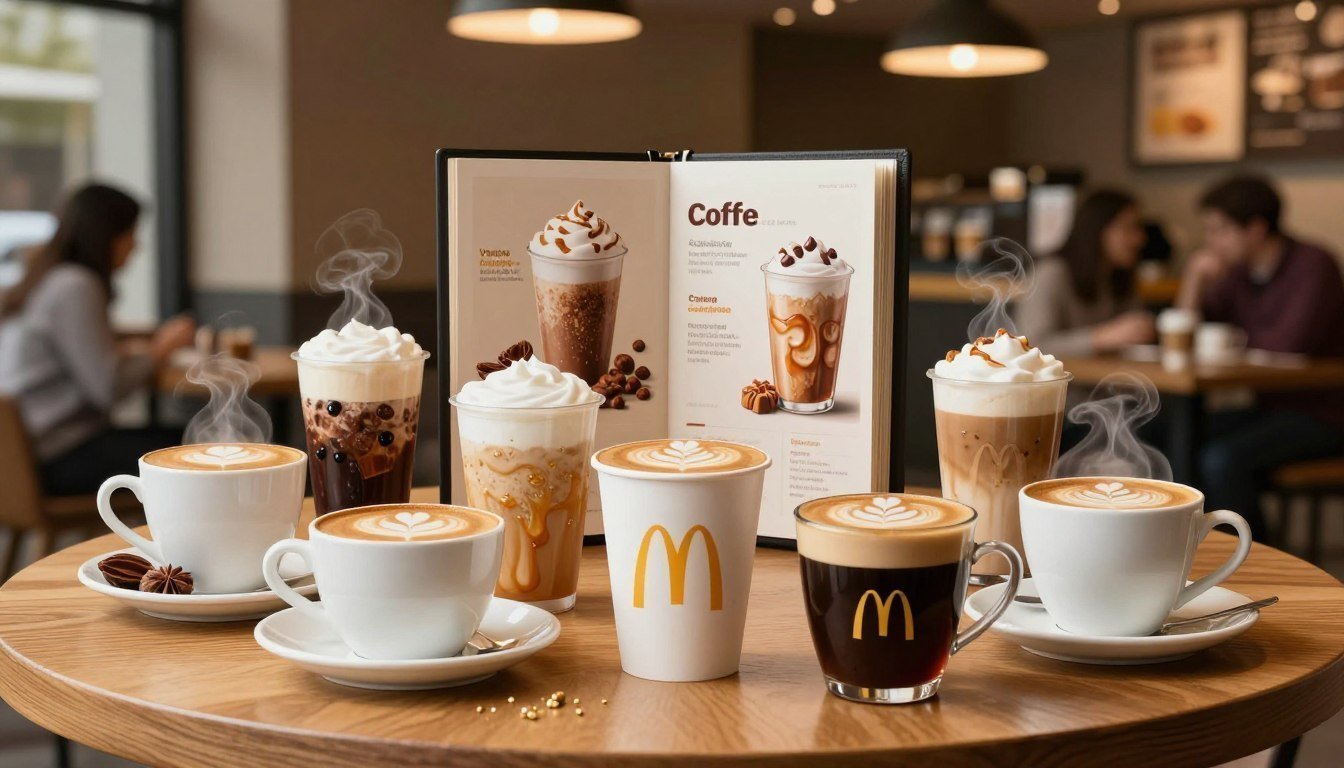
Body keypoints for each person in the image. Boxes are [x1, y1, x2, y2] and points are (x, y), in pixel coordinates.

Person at [0, 183, 195, 495]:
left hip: (21, 459)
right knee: (196, 447)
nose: (136, 246)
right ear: (107, 235)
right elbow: (108, 387)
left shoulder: (44, 278)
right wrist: (163, 348)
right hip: (59, 455)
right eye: (131, 233)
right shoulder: (74, 286)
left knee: (184, 441)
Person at [1178, 175, 1344, 540]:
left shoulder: (1314, 264)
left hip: (1325, 414)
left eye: (1219, 230)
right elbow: (1186, 333)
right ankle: (1188, 554)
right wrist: (1194, 279)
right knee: (1178, 437)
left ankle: (1256, 561)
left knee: (1222, 459)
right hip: (1271, 409)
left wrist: (1229, 343)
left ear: (1255, 229)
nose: (1211, 242)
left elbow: (1290, 344)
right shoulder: (1238, 274)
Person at [1013, 188, 1156, 358]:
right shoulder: (1052, 273)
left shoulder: (1119, 275)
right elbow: (1030, 345)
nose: (1140, 239)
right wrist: (1100, 337)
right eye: (1128, 228)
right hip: (1064, 383)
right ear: (1097, 230)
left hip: (1109, 380)